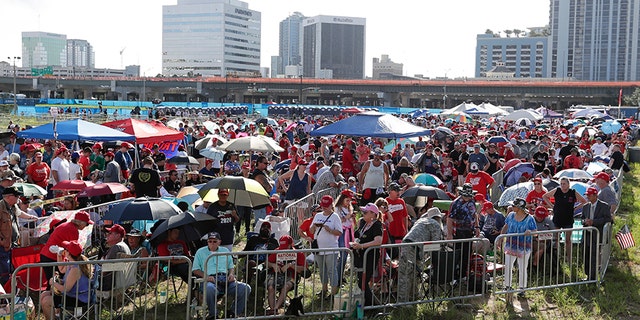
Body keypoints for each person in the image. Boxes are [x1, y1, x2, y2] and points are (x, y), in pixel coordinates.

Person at [192, 232, 251, 319]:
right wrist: (206, 276)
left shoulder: (225, 251)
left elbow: (231, 267)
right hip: (210, 280)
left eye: (214, 241)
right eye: (210, 241)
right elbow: (195, 269)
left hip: (225, 279)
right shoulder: (200, 252)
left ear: (219, 242)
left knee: (245, 288)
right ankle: (213, 314)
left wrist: (231, 274)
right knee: (209, 288)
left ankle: (233, 312)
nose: (212, 243)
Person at [398, 206, 444, 302]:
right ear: (438, 218)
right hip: (415, 248)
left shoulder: (420, 221)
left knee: (409, 273)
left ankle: (409, 298)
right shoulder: (435, 224)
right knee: (410, 274)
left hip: (408, 245)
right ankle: (406, 300)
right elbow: (436, 244)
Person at [39, 240, 92, 320]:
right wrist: (59, 254)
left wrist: (53, 283)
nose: (63, 250)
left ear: (68, 253)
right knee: (44, 295)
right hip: (73, 294)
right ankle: (54, 316)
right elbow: (61, 269)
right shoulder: (72, 262)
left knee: (46, 301)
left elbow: (66, 289)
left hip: (78, 299)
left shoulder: (75, 269)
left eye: (65, 249)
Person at [496, 198, 537, 298]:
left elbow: (535, 232)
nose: (512, 207)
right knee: (508, 266)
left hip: (524, 247)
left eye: (514, 206)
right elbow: (506, 226)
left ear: (519, 208)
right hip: (510, 245)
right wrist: (500, 238)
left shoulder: (530, 218)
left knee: (522, 267)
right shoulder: (510, 215)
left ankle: (522, 288)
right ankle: (508, 286)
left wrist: (530, 232)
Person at [542, 177, 587, 261]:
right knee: (556, 238)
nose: (562, 185)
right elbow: (545, 196)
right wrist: (552, 206)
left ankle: (569, 258)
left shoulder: (573, 192)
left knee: (568, 240)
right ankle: (556, 257)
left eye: (564, 184)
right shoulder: (557, 190)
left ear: (568, 184)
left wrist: (576, 208)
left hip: (568, 218)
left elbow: (584, 201)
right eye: (561, 183)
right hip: (557, 218)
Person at [40, 212, 93, 281]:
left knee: (53, 283)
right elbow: (74, 251)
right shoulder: (73, 230)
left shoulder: (67, 225)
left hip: (48, 255)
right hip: (52, 257)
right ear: (81, 223)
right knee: (56, 283)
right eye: (87, 224)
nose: (87, 226)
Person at [351, 203, 383, 306]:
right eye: (363, 212)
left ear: (373, 214)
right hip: (361, 256)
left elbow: (378, 241)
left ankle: (374, 305)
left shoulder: (377, 225)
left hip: (370, 256)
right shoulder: (363, 223)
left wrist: (362, 246)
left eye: (365, 212)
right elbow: (356, 235)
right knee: (361, 281)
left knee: (363, 282)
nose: (363, 214)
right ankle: (369, 304)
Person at [310, 195, 343, 298]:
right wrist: (314, 226)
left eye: (326, 206)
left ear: (331, 205)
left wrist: (330, 230)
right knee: (322, 270)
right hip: (318, 248)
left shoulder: (335, 217)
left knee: (331, 270)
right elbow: (311, 231)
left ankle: (333, 292)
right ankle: (324, 289)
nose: (324, 208)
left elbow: (339, 232)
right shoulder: (318, 215)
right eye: (323, 206)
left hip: (331, 248)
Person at [265, 235, 307, 315]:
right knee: (270, 287)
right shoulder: (277, 251)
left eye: (285, 247)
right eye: (282, 247)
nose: (283, 249)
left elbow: (304, 268)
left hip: (291, 276)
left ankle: (275, 308)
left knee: (286, 286)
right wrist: (273, 265)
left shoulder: (298, 253)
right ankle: (273, 310)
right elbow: (266, 263)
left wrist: (291, 265)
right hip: (276, 274)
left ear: (291, 245)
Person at [446, 183, 479, 278]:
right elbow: (450, 219)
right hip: (458, 232)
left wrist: (477, 227)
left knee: (467, 254)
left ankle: (463, 275)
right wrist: (449, 234)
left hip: (469, 231)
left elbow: (475, 214)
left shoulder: (472, 201)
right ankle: (454, 276)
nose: (468, 197)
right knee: (457, 255)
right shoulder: (456, 203)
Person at [581, 187, 612, 281]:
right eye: (587, 195)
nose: (588, 197)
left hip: (597, 234)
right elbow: (582, 218)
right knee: (585, 254)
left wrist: (594, 222)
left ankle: (593, 277)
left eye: (590, 195)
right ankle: (587, 275)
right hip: (587, 235)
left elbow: (608, 219)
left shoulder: (604, 206)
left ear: (595, 196)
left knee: (594, 255)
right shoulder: (586, 206)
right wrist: (585, 222)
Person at [99, 224, 131, 291]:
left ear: (118, 235)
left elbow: (105, 269)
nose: (107, 235)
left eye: (110, 233)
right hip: (122, 280)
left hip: (110, 283)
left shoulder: (116, 247)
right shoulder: (124, 245)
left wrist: (94, 275)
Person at [249, 155, 274, 229]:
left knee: (263, 224)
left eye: (267, 163)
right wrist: (271, 182)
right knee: (260, 225)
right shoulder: (258, 174)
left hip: (263, 202)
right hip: (260, 203)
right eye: (265, 163)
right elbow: (269, 188)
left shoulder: (263, 173)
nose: (267, 165)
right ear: (259, 163)